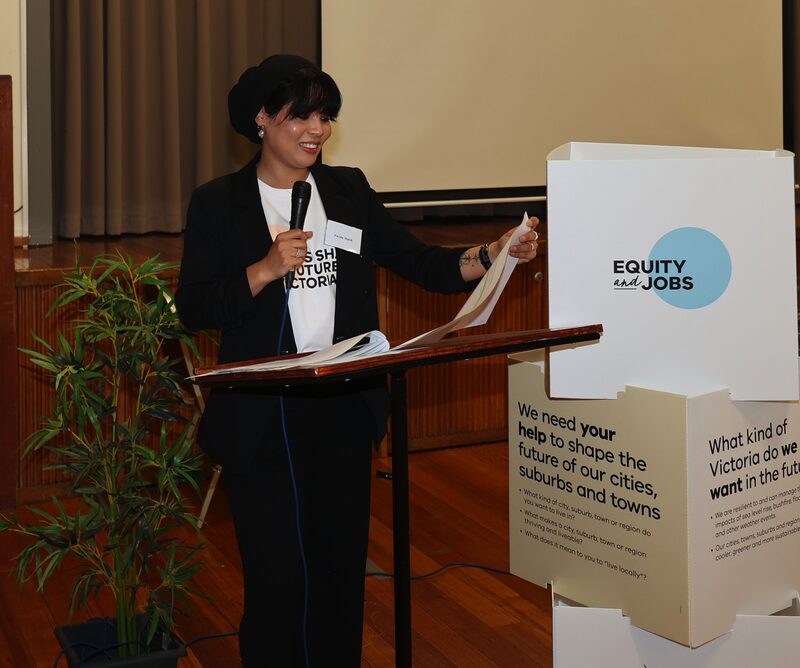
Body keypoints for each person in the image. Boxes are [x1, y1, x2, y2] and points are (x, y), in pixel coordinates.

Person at [176, 54, 539, 667]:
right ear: (261, 119)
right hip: (264, 417)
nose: (316, 130)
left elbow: (420, 263)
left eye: (325, 116)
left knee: (339, 575)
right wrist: (263, 270)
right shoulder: (219, 202)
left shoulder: (347, 191)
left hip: (343, 407)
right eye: (301, 116)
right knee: (277, 580)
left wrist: (491, 252)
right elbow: (193, 307)